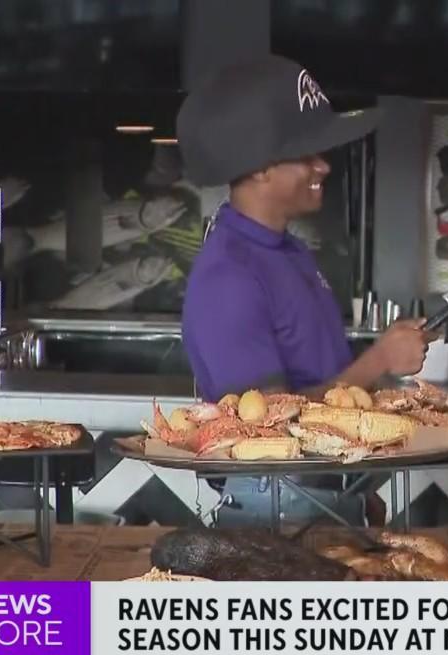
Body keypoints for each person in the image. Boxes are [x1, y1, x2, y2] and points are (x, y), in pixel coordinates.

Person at [175, 54, 431, 527]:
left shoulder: (289, 252)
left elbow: (323, 378)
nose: (324, 166)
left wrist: (354, 484)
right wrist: (380, 361)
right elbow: (264, 426)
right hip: (276, 508)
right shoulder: (228, 276)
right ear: (259, 169)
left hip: (323, 494)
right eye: (306, 153)